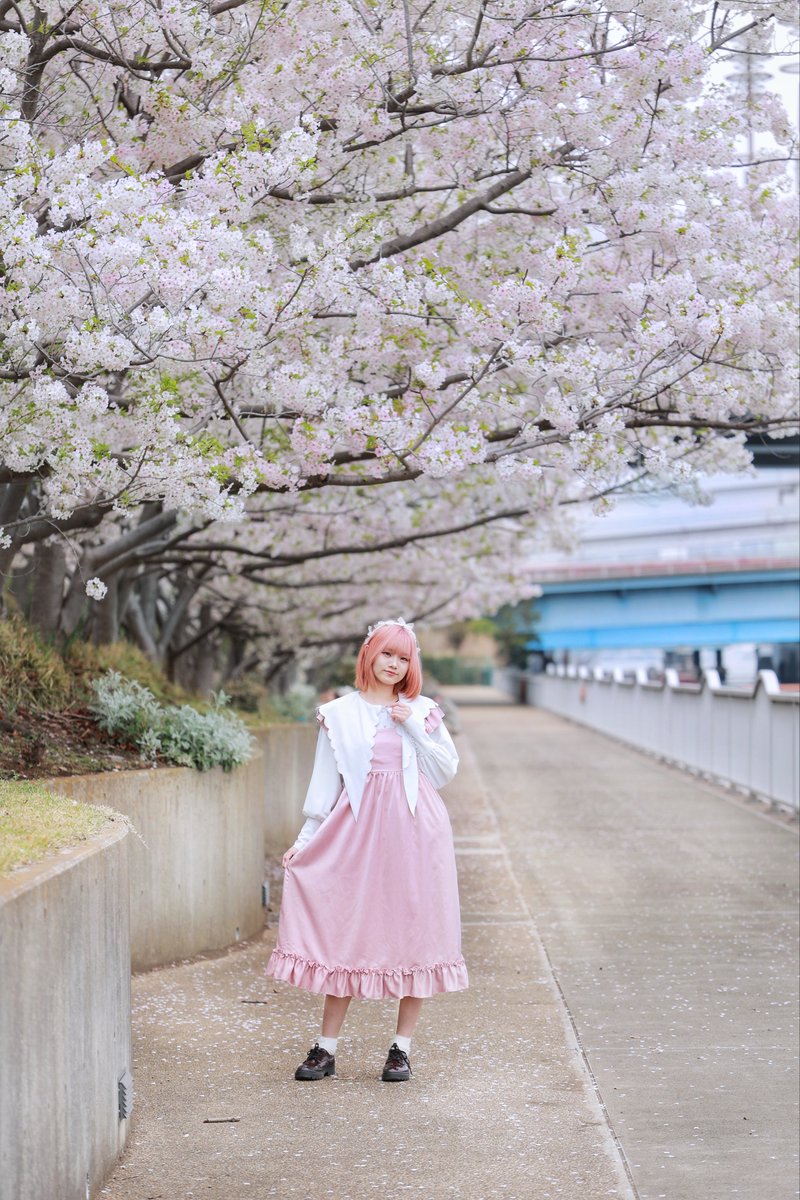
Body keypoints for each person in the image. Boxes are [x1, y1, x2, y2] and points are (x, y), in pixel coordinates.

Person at [266, 617, 468, 1082]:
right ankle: (325, 1047)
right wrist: (303, 842)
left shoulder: (424, 710)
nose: (394, 664)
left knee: (417, 931)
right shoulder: (339, 714)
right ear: (369, 655)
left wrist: (413, 727)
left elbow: (444, 771)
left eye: (404, 657)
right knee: (348, 928)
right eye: (386, 654)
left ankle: (401, 1048)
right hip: (357, 833)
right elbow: (325, 783)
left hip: (418, 832)